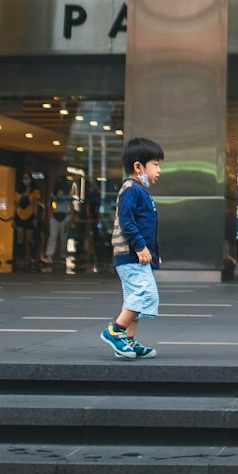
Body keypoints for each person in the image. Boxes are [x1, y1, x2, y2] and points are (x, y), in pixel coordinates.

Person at [100, 137, 164, 360]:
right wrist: (139, 247)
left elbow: (146, 226)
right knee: (145, 294)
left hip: (137, 256)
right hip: (129, 255)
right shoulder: (130, 189)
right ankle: (114, 332)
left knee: (134, 299)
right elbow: (127, 222)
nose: (159, 170)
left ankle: (127, 342)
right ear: (138, 167)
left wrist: (153, 253)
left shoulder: (140, 191)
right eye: (155, 164)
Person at [42, 174, 75, 266]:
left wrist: (70, 216)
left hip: (64, 215)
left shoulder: (68, 193)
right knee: (53, 236)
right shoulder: (55, 193)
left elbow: (71, 205)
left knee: (63, 237)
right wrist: (51, 213)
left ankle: (62, 255)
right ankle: (50, 255)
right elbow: (50, 203)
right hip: (56, 216)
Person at [13, 172, 41, 271]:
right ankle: (20, 259)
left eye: (27, 178)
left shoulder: (35, 191)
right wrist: (13, 218)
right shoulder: (18, 191)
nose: (26, 180)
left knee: (29, 239)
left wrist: (36, 217)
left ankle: (33, 256)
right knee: (20, 237)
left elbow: (36, 205)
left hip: (30, 216)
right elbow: (15, 204)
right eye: (24, 178)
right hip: (19, 215)